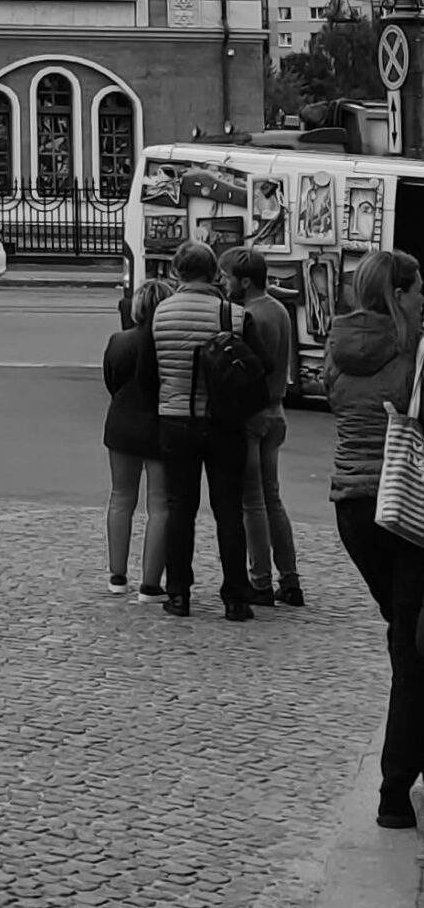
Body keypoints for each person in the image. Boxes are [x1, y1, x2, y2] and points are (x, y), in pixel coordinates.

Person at [326, 249, 424, 827]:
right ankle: (394, 793)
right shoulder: (411, 354)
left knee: (406, 636)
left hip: (353, 508)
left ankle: (406, 765)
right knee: (412, 648)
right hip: (406, 507)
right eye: (419, 291)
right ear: (398, 294)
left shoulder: (339, 349)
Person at [148, 239, 257, 621]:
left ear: (176, 271)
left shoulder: (161, 313)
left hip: (176, 418)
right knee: (229, 508)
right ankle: (236, 597)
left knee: (180, 507)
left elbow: (150, 369)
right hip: (224, 421)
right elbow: (260, 367)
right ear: (213, 273)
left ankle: (179, 593)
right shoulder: (235, 315)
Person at [220, 244, 304, 607]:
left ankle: (260, 581)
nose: (223, 283)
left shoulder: (248, 316)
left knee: (251, 501)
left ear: (244, 281)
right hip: (277, 410)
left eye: (226, 277)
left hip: (252, 414)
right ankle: (290, 578)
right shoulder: (279, 310)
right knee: (272, 498)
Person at [102, 278, 170, 598]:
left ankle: (117, 576)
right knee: (160, 505)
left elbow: (112, 380)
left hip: (122, 421)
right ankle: (151, 584)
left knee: (120, 497)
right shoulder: (168, 345)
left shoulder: (119, 341)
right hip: (161, 424)